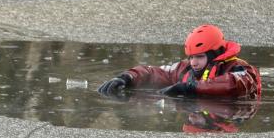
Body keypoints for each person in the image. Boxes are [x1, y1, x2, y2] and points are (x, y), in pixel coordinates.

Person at [98, 24, 262, 99]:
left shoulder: (239, 68)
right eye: (191, 57)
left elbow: (235, 85)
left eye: (199, 57)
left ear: (215, 54)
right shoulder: (185, 70)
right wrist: (127, 77)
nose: (193, 63)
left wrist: (190, 88)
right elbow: (155, 72)